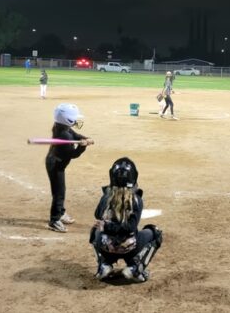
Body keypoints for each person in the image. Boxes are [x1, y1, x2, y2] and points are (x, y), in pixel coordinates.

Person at [90, 157, 163, 283]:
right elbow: (130, 227)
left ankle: (104, 265)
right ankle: (135, 268)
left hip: (107, 247)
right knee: (155, 233)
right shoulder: (136, 199)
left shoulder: (107, 196)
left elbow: (97, 214)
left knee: (95, 230)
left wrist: (106, 224)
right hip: (130, 248)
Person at [46, 103, 94, 232]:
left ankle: (60, 213)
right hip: (56, 165)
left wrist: (84, 138)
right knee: (59, 192)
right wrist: (82, 146)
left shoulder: (62, 128)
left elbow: (75, 135)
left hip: (56, 162)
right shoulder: (64, 136)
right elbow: (73, 154)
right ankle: (54, 220)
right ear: (67, 119)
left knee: (60, 190)